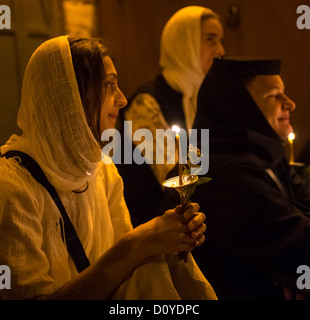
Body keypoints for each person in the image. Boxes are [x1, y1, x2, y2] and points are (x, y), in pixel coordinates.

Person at [0, 36, 217, 300]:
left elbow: (126, 274)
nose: (123, 99)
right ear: (69, 97)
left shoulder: (103, 171)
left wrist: (171, 238)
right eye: (110, 86)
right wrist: (139, 242)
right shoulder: (12, 185)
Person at [188, 56, 310, 300]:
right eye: (275, 95)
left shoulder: (263, 154)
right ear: (240, 106)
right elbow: (296, 245)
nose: (291, 104)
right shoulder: (224, 175)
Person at [117, 6, 225, 227]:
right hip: (152, 227)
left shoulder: (204, 97)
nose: (221, 50)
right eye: (210, 40)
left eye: (220, 40)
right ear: (182, 42)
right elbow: (178, 181)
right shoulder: (145, 103)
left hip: (193, 219)